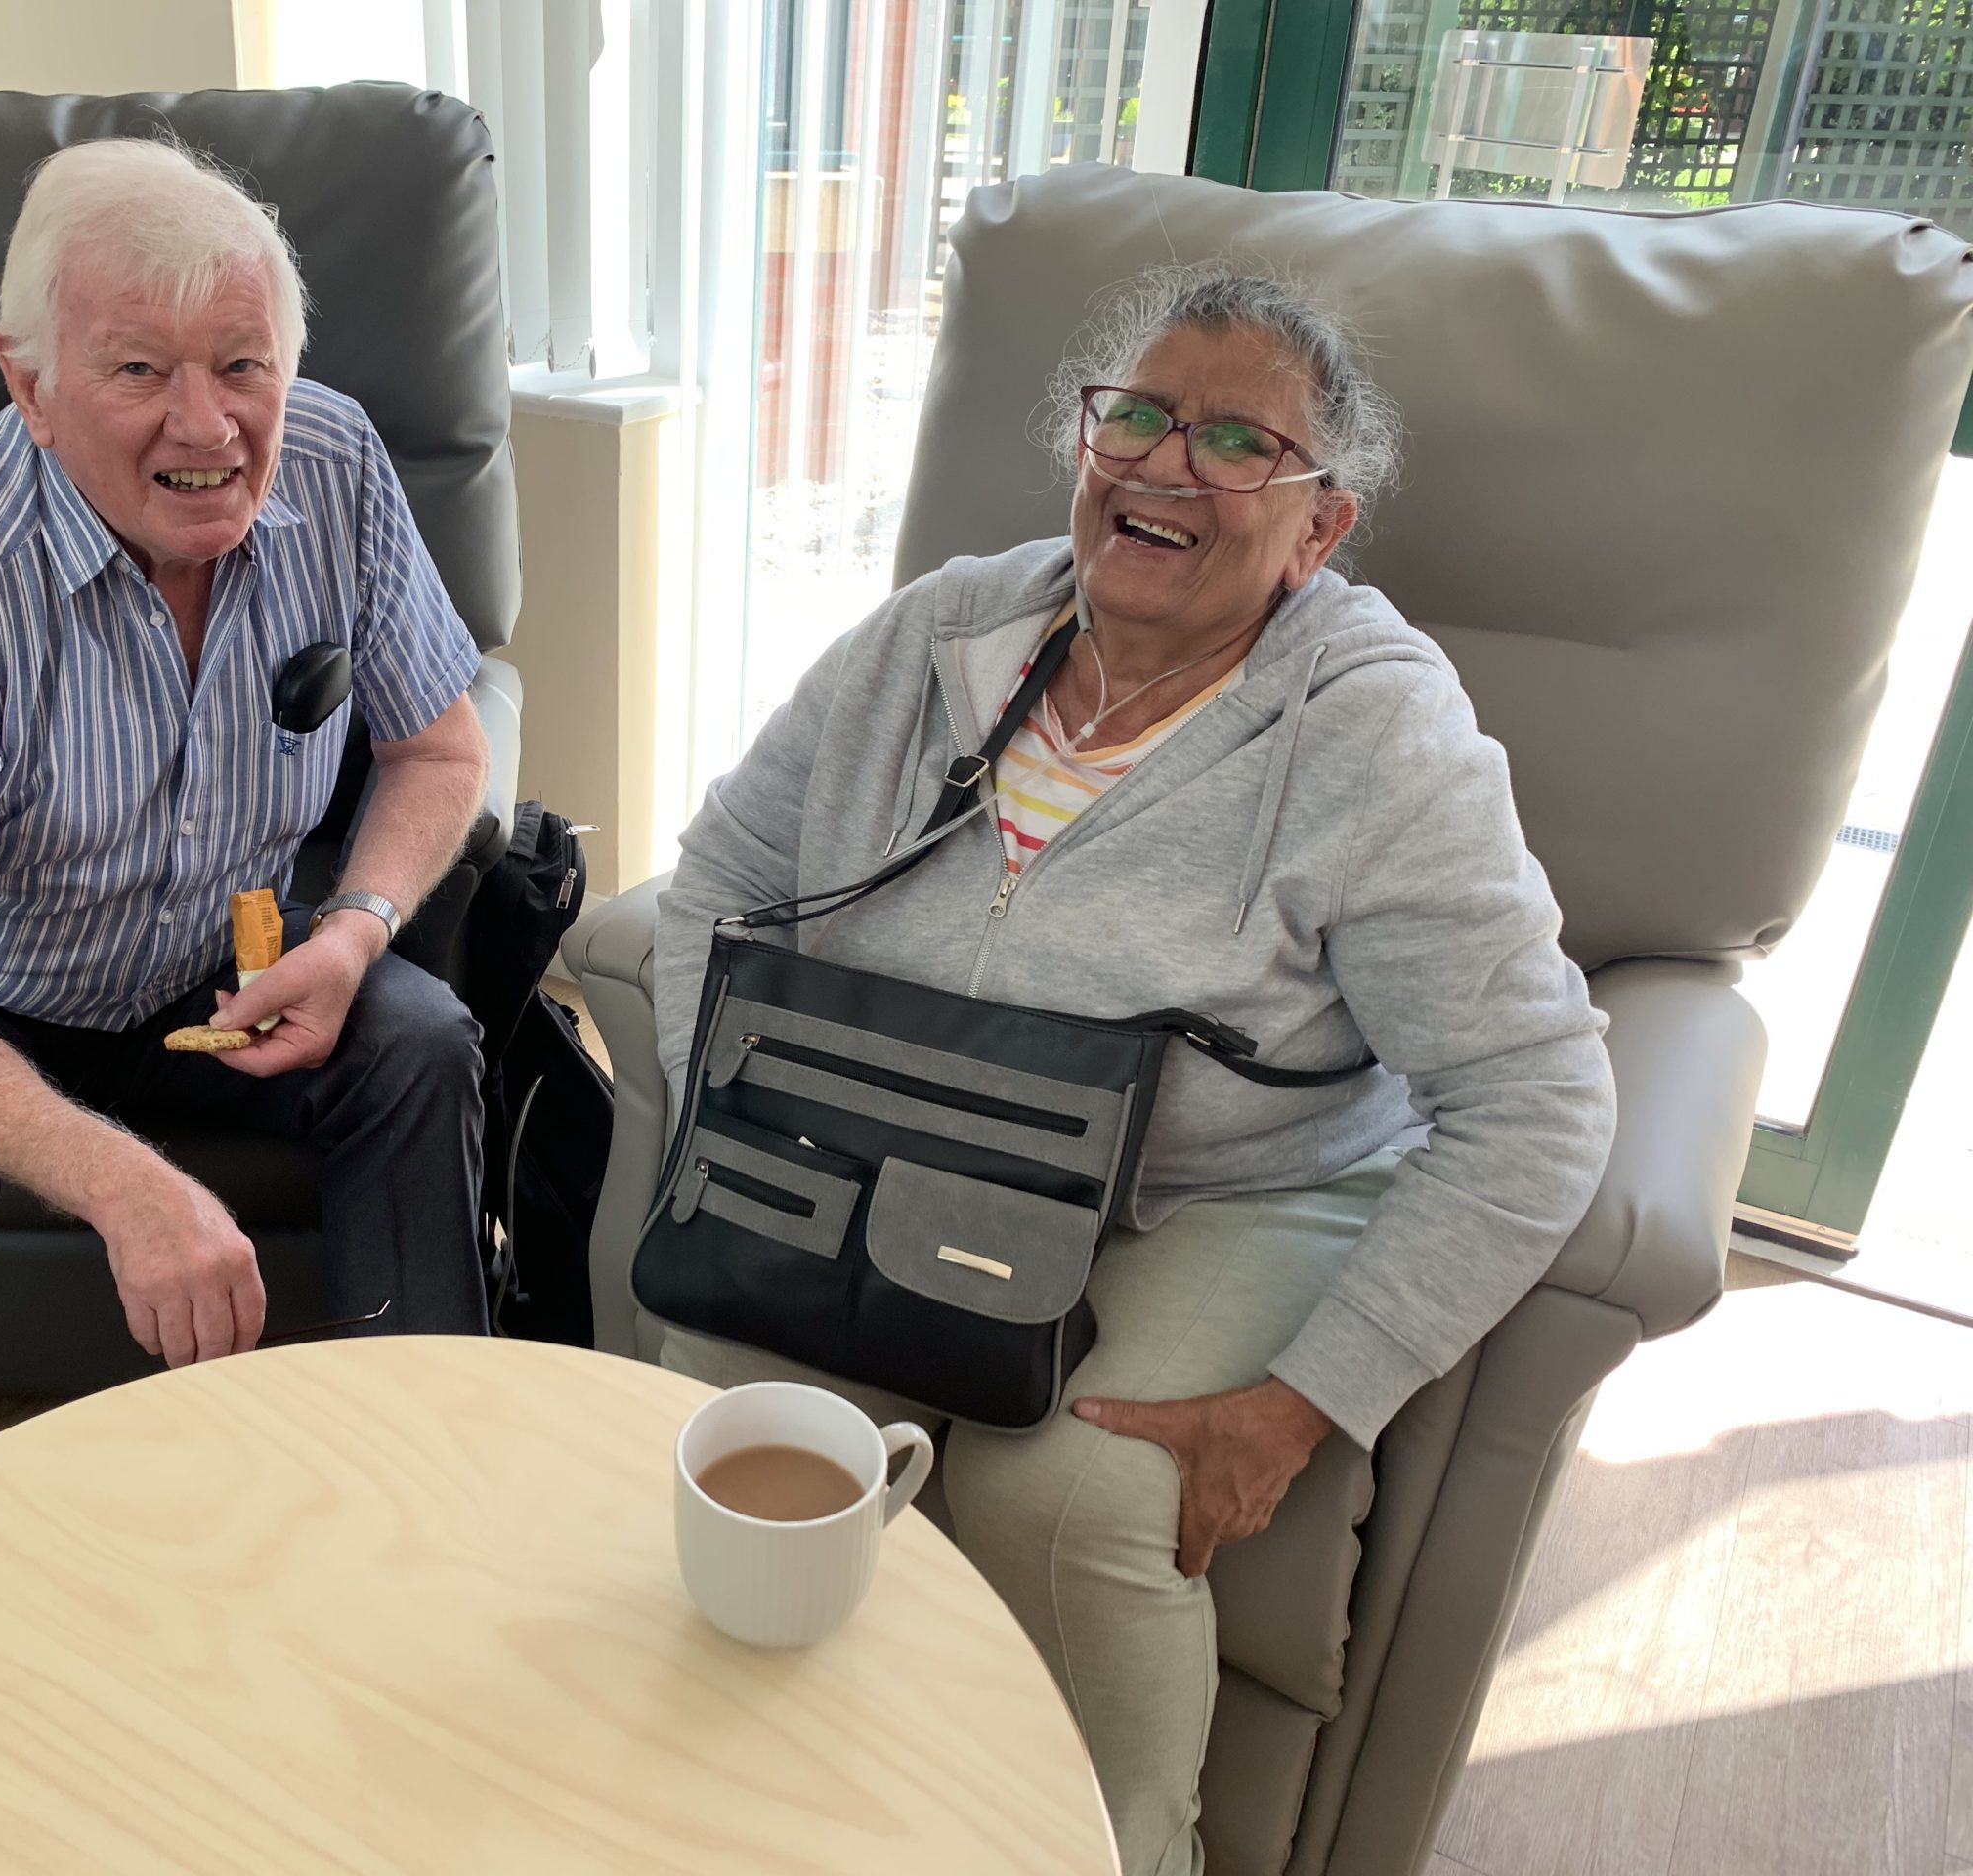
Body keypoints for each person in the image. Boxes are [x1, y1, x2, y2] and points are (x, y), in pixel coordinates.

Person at [653, 267, 1617, 1874]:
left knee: (1080, 1496)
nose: (1170, 463)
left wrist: (1312, 1403)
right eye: (1144, 416)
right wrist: (740, 1126)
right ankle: (784, 1819)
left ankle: (1120, 1850)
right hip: (906, 1145)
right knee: (741, 1406)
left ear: (1320, 530)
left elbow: (1538, 1097)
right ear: (1086, 445)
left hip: (1214, 1187)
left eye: (1243, 443)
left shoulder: (1375, 736)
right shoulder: (935, 638)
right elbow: (720, 880)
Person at [0, 137, 493, 1522]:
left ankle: (426, 1481)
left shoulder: (335, 463)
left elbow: (439, 747)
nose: (209, 426)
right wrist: (125, 1187)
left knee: (423, 1043)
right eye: (138, 370)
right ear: (29, 385)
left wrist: (354, 931)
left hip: (222, 954)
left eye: (241, 363)